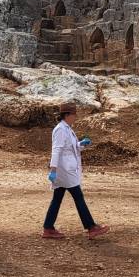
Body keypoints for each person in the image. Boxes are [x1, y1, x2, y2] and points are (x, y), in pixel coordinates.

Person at [43, 102, 110, 239]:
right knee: (78, 197)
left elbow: (70, 148)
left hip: (65, 170)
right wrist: (53, 170)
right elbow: (57, 150)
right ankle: (91, 227)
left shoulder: (67, 128)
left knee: (57, 198)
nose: (75, 117)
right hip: (65, 170)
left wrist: (81, 144)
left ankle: (48, 228)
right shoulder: (61, 129)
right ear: (67, 115)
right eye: (73, 114)